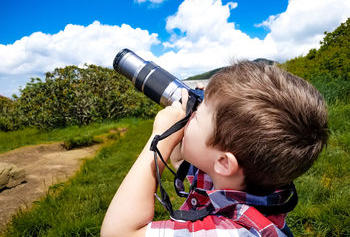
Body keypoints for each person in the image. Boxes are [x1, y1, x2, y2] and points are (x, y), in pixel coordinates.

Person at [101, 62, 329, 237]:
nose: (192, 113)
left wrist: (158, 138)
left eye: (197, 115)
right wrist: (206, 108)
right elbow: (182, 161)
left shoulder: (230, 232)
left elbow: (118, 232)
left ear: (224, 163)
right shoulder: (248, 180)